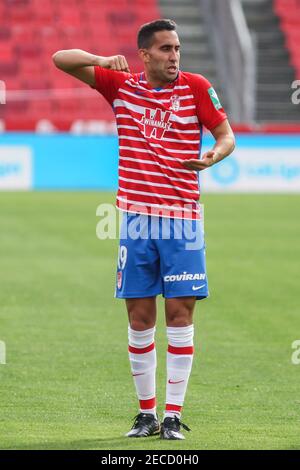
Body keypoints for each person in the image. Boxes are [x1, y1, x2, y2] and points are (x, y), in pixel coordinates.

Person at [53, 18, 235, 440]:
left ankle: (173, 415)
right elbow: (60, 59)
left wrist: (213, 157)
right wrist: (101, 59)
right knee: (138, 317)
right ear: (144, 54)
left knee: (180, 313)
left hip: (183, 220)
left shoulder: (195, 86)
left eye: (177, 48)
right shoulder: (122, 86)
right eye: (166, 49)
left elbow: (226, 136)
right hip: (136, 221)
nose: (174, 56)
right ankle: (145, 414)